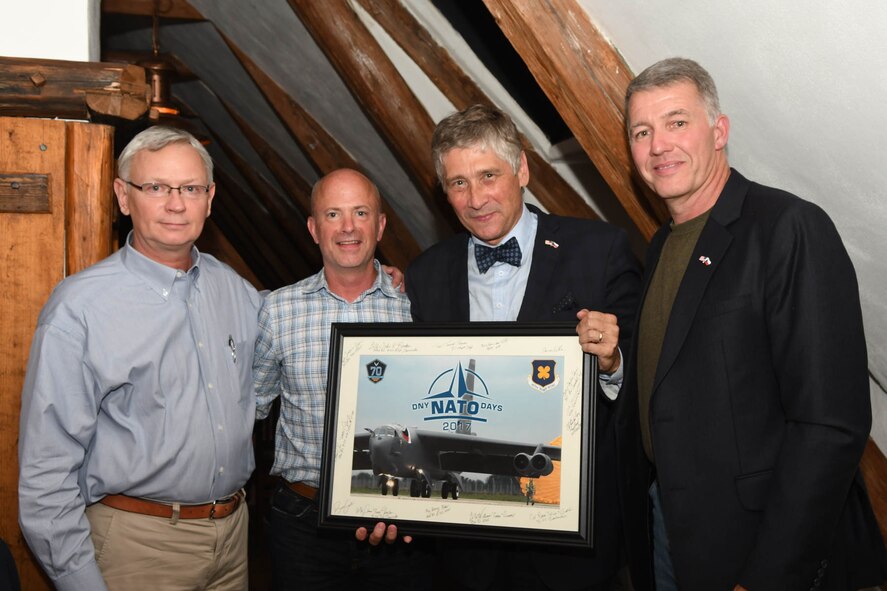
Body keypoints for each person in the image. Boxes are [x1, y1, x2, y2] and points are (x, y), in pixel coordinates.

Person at [586, 57, 887, 591]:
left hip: (756, 546)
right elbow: (683, 377)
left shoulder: (789, 228)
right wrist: (616, 363)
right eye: (642, 131)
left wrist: (769, 576)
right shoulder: (660, 246)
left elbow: (829, 426)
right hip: (670, 529)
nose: (658, 145)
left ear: (719, 131)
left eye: (677, 122)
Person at [403, 104, 642, 590]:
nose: (475, 198)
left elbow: (650, 380)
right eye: (458, 183)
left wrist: (613, 361)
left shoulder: (599, 250)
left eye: (489, 175)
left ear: (523, 170)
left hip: (569, 541)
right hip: (467, 542)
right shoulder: (425, 274)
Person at [18, 126, 262, 590]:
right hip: (139, 546)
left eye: (190, 188)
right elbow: (46, 472)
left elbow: (287, 332)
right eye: (156, 188)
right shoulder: (80, 307)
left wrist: (370, 277)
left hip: (232, 539)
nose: (176, 204)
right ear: (122, 197)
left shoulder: (233, 288)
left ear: (210, 198)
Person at [253, 168, 431, 589]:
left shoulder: (417, 308)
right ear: (314, 229)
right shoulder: (276, 312)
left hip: (399, 521)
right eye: (333, 214)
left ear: (381, 225)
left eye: (361, 213)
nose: (348, 227)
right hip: (302, 525)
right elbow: (250, 408)